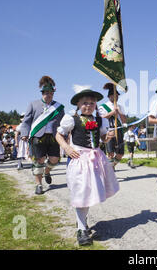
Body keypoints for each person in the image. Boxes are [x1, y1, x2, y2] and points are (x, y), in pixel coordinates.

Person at [55, 86, 119, 246]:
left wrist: (107, 137)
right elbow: (58, 135)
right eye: (85, 103)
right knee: (81, 193)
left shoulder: (100, 119)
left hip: (95, 160)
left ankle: (81, 222)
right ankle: (82, 229)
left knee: (89, 194)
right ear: (78, 104)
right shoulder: (71, 119)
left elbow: (102, 138)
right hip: (78, 159)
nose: (88, 105)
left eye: (92, 103)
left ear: (96, 104)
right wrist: (67, 148)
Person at [18, 76, 65, 195]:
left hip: (54, 137)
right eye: (45, 93)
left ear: (53, 93)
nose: (48, 95)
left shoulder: (59, 107)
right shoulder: (33, 104)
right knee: (39, 160)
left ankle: (47, 171)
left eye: (50, 93)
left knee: (55, 159)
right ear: (42, 93)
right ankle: (39, 185)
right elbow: (26, 121)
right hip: (38, 136)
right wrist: (24, 133)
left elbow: (63, 122)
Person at [98, 83, 127, 170]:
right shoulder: (103, 107)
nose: (116, 97)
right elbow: (101, 118)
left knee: (120, 153)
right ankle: (110, 172)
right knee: (110, 153)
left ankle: (110, 167)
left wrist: (119, 112)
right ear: (109, 96)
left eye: (117, 95)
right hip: (109, 130)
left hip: (118, 129)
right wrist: (112, 113)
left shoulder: (120, 106)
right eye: (114, 95)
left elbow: (124, 120)